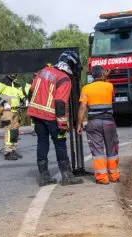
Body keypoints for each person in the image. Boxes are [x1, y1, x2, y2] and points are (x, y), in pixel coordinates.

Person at [26, 51, 84, 187]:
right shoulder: (64, 79)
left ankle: (44, 177)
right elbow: (59, 102)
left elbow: (31, 91)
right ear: (71, 65)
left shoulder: (43, 71)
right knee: (60, 143)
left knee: (42, 142)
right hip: (52, 117)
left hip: (37, 115)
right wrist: (63, 123)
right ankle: (67, 176)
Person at [76, 65, 119, 185]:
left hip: (93, 122)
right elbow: (112, 99)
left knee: (97, 150)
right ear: (102, 74)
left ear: (91, 75)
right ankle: (114, 176)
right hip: (109, 122)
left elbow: (83, 107)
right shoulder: (109, 86)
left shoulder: (86, 89)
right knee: (112, 148)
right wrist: (106, 78)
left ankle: (102, 178)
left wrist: (79, 124)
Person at [0, 73, 31, 160]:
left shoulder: (17, 83)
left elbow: (21, 95)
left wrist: (25, 99)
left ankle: (13, 149)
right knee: (9, 130)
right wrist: (3, 103)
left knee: (15, 131)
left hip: (16, 110)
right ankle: (7, 152)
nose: (13, 73)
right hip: (7, 111)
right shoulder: (2, 81)